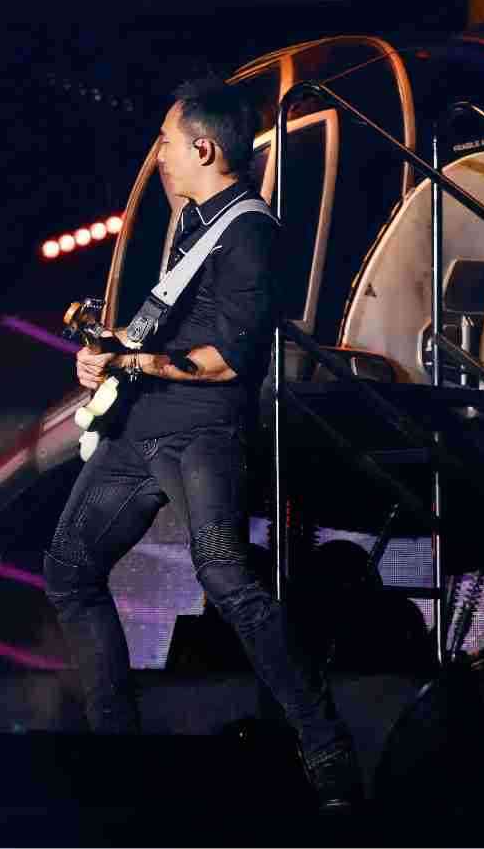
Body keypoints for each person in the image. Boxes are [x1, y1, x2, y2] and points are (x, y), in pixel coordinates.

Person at [44, 77, 363, 809]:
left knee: (226, 581)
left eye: (166, 142)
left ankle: (326, 747)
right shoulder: (194, 223)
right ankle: (116, 758)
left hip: (201, 433)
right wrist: (109, 350)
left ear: (205, 149)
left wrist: (129, 363)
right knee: (68, 571)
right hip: (138, 429)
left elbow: (225, 360)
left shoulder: (250, 233)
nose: (157, 155)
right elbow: (172, 330)